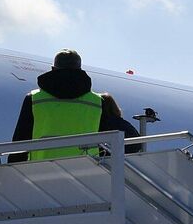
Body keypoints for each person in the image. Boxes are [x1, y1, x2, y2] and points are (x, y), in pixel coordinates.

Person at [11, 49, 139, 162]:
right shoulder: (97, 102)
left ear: (53, 69)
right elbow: (132, 142)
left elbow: (19, 144)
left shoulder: (34, 99)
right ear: (80, 70)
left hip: (41, 172)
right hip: (88, 173)